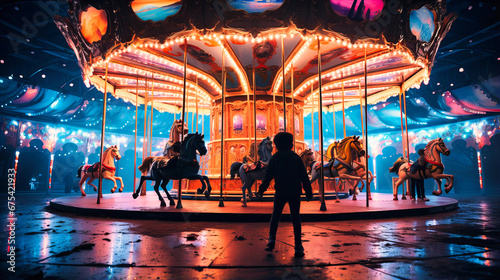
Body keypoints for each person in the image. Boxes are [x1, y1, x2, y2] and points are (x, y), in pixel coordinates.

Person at [256, 132, 313, 258]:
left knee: (276, 215)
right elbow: (304, 176)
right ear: (291, 144)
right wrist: (309, 192)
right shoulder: (296, 158)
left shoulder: (275, 159)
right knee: (295, 217)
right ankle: (298, 245)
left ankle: (271, 240)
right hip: (294, 191)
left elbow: (268, 176)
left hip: (281, 190)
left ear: (276, 145)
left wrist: (261, 189)